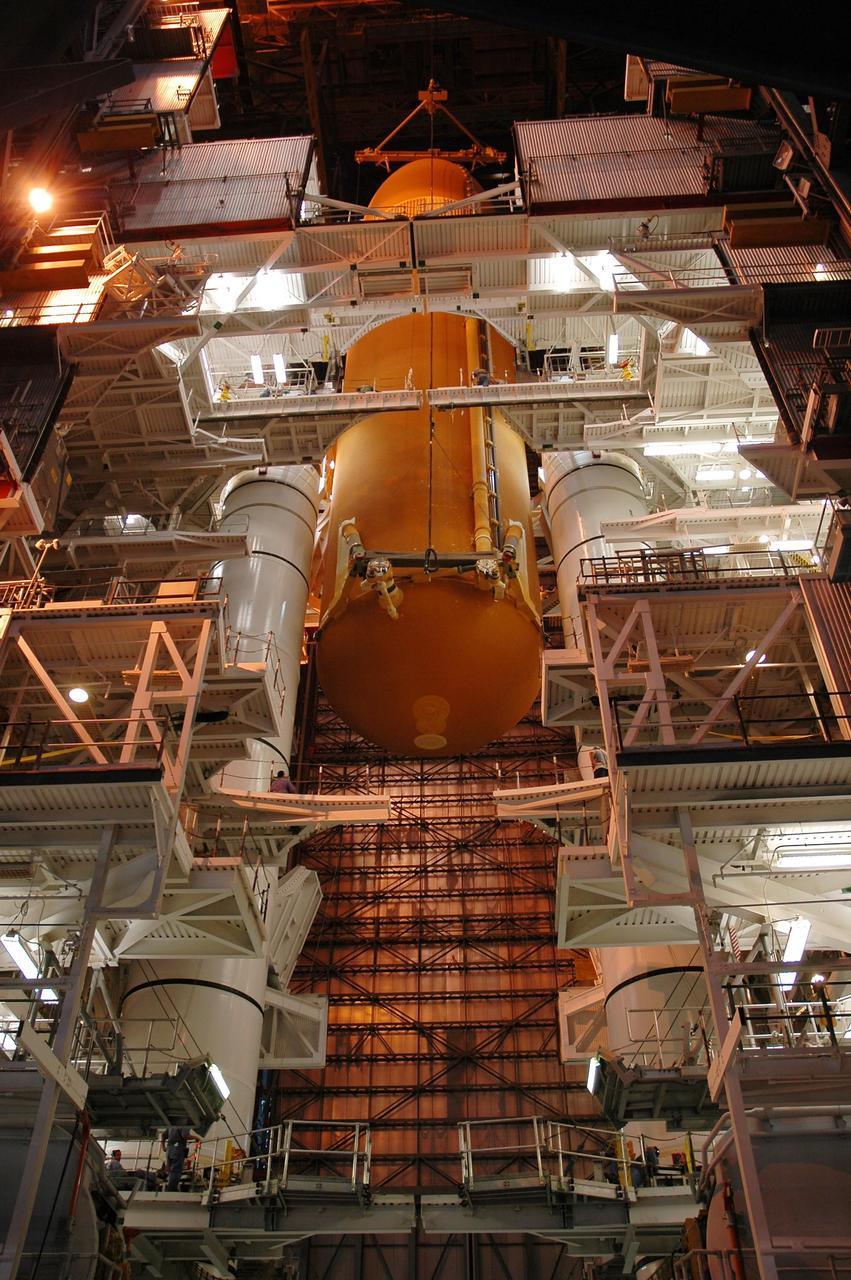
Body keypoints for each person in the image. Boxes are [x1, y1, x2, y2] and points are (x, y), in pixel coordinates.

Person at [164, 1127, 190, 1191]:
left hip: (169, 1150)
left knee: (170, 1170)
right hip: (178, 1150)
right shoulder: (185, 1124)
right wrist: (196, 1138)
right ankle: (171, 1189)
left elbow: (163, 1134)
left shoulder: (172, 1125)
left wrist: (162, 1146)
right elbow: (185, 1135)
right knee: (175, 1171)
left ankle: (169, 1187)